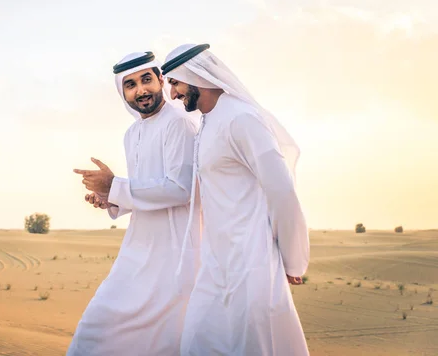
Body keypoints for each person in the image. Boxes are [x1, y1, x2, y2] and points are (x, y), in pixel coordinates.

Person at [162, 44, 310, 355]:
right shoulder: (208, 121)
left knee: (255, 346)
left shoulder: (242, 119)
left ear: (195, 75)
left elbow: (281, 191)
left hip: (250, 262)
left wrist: (293, 258)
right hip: (215, 263)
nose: (172, 94)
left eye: (175, 83)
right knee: (196, 341)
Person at [68, 51, 201, 356]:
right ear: (122, 92)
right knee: (97, 328)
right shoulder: (132, 134)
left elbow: (180, 189)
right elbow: (145, 188)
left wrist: (115, 186)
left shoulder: (178, 123)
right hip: (138, 251)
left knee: (166, 337)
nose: (140, 90)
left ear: (160, 81)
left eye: (146, 80)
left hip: (174, 252)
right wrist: (109, 199)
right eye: (130, 84)